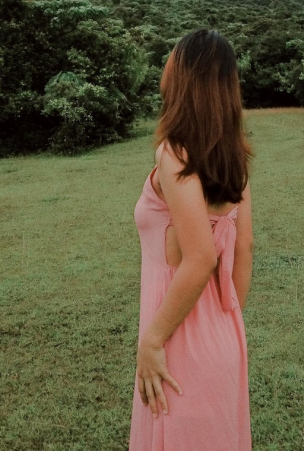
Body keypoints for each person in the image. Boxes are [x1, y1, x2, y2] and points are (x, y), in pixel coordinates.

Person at [130, 29, 254, 451]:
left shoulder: (174, 154)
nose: (165, 62)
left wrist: (153, 340)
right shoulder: (234, 159)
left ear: (185, 75)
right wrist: (219, 322)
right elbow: (244, 250)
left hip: (176, 340)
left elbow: (200, 257)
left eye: (172, 55)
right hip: (224, 336)